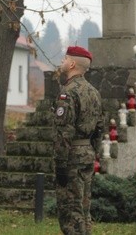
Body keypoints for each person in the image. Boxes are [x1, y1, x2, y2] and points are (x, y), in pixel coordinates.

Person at [53, 46, 103, 235]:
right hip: (87, 155)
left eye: (65, 58)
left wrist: (60, 164)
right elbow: (100, 127)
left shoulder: (68, 92)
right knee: (84, 209)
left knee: (70, 213)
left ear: (72, 63)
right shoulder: (93, 92)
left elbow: (63, 132)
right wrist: (93, 152)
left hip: (71, 158)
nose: (62, 62)